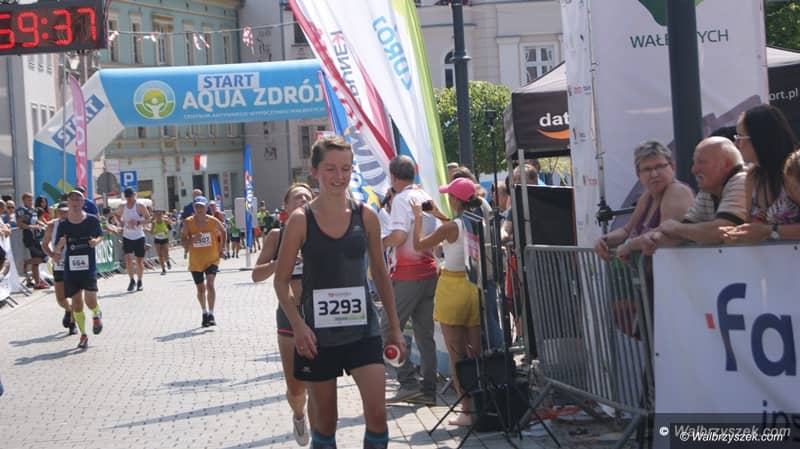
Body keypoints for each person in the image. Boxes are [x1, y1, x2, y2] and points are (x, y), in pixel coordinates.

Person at [274, 135, 405, 449]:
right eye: (331, 169)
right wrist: (299, 325)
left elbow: (381, 273)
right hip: (318, 336)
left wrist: (395, 327)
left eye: (346, 168)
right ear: (315, 171)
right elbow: (281, 281)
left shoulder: (366, 216)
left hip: (363, 330)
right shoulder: (301, 220)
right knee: (326, 421)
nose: (339, 176)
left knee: (377, 415)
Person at [411, 177, 483, 426]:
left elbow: (418, 245)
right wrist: (439, 215)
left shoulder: (450, 227)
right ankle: (481, 405)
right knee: (475, 352)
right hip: (473, 286)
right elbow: (457, 230)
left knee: (456, 354)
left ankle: (466, 410)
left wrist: (418, 219)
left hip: (452, 288)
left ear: (454, 199)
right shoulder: (477, 221)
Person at [252, 183, 314, 446]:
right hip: (289, 314)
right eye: (297, 197)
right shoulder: (277, 236)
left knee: (321, 383)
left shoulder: (322, 231)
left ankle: (322, 434)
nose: (303, 199)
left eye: (308, 196)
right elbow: (256, 275)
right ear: (286, 206)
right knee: (297, 388)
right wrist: (281, 263)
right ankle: (299, 414)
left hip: (319, 313)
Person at [381, 155, 439, 406]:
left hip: (408, 274)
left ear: (393, 177)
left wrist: (379, 243)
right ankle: (428, 390)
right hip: (429, 271)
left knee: (387, 327)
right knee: (425, 335)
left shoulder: (401, 199)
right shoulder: (424, 195)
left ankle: (408, 384)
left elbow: (398, 236)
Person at [593, 140, 694, 261]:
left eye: (659, 166)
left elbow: (667, 235)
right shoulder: (648, 196)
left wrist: (630, 245)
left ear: (672, 167)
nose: (654, 174)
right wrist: (604, 240)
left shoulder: (677, 191)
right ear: (638, 174)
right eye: (647, 169)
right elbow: (626, 231)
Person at [646, 137, 747, 249]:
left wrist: (675, 228)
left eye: (702, 162)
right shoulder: (709, 190)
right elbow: (684, 232)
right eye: (694, 163)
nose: (694, 170)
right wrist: (648, 239)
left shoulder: (741, 181)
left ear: (727, 164)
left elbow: (722, 230)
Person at [720, 105, 800, 244]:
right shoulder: (752, 175)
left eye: (740, 137)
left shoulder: (793, 170)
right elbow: (754, 228)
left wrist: (770, 231)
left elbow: (764, 231)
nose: (736, 143)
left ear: (760, 139)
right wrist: (738, 233)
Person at [54, 189, 104, 349]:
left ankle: (96, 313)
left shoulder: (91, 220)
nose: (75, 202)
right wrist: (59, 246)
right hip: (71, 269)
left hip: (88, 267)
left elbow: (100, 235)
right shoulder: (63, 224)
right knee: (77, 304)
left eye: (78, 199)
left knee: (90, 301)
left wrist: (95, 242)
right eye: (72, 200)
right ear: (68, 203)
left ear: (83, 202)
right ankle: (83, 335)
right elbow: (57, 249)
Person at [181, 196, 226, 327]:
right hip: (196, 261)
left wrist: (222, 249)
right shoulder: (188, 222)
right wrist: (193, 239)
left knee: (210, 285)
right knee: (201, 289)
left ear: (206, 208)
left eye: (202, 206)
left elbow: (223, 231)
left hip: (212, 259)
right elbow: (183, 242)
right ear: (194, 208)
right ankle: (204, 312)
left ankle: (211, 314)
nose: (199, 209)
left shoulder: (212, 220)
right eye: (197, 207)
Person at [43, 202, 78, 334]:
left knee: (75, 295)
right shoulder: (52, 225)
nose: (64, 214)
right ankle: (69, 310)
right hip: (59, 263)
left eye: (66, 212)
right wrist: (52, 255)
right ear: (57, 213)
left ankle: (73, 324)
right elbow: (44, 244)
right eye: (61, 212)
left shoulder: (76, 223)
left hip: (74, 263)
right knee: (60, 298)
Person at [118, 187, 150, 292]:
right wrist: (121, 222)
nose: (129, 199)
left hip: (139, 236)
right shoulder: (122, 206)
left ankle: (139, 281)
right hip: (127, 236)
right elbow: (117, 215)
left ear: (134, 195)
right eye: (127, 197)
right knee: (128, 258)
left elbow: (149, 218)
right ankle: (132, 280)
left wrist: (138, 222)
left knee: (139, 261)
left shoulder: (140, 205)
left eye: (130, 197)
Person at [16, 192, 49, 289]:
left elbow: (36, 220)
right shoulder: (21, 210)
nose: (30, 202)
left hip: (37, 237)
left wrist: (43, 224)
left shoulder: (33, 210)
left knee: (36, 262)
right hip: (29, 237)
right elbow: (19, 224)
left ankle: (37, 282)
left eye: (31, 200)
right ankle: (26, 262)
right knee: (44, 257)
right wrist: (31, 227)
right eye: (28, 200)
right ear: (24, 200)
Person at [150, 210, 173, 275]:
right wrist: (153, 232)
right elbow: (151, 232)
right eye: (157, 215)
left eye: (160, 215)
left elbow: (170, 228)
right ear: (155, 216)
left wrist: (166, 231)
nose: (158, 216)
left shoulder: (165, 221)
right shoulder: (154, 223)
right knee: (159, 255)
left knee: (165, 254)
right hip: (157, 239)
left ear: (162, 215)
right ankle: (163, 269)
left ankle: (167, 261)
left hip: (164, 239)